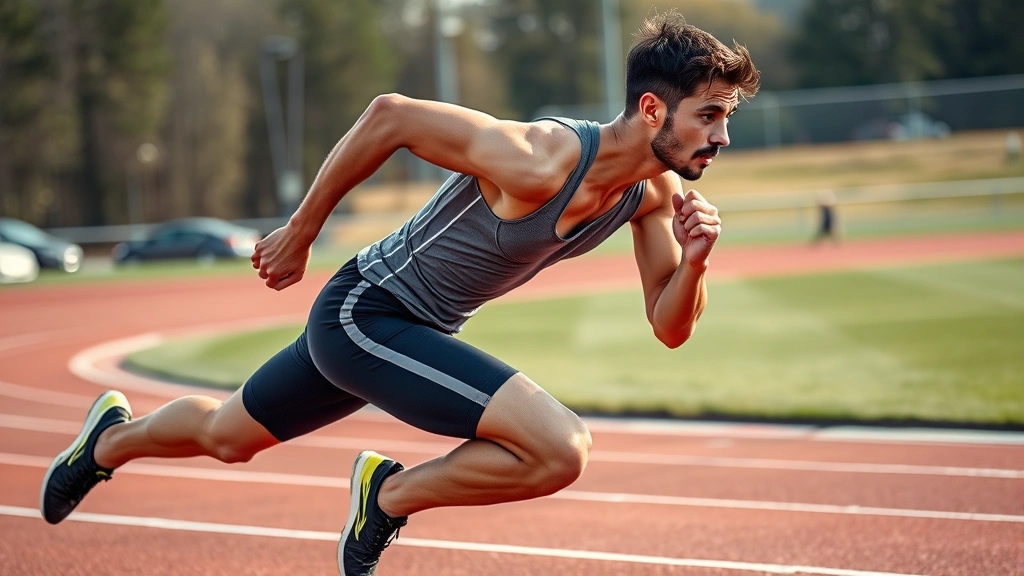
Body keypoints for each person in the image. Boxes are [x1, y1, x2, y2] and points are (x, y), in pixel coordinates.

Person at [41, 11, 759, 575]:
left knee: (229, 437)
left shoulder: (650, 194)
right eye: (710, 115)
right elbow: (391, 115)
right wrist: (301, 230)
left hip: (404, 333)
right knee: (560, 447)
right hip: (365, 311)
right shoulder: (540, 158)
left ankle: (107, 442)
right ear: (654, 110)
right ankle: (385, 496)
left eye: (727, 116)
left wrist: (694, 262)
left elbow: (669, 328)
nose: (722, 136)